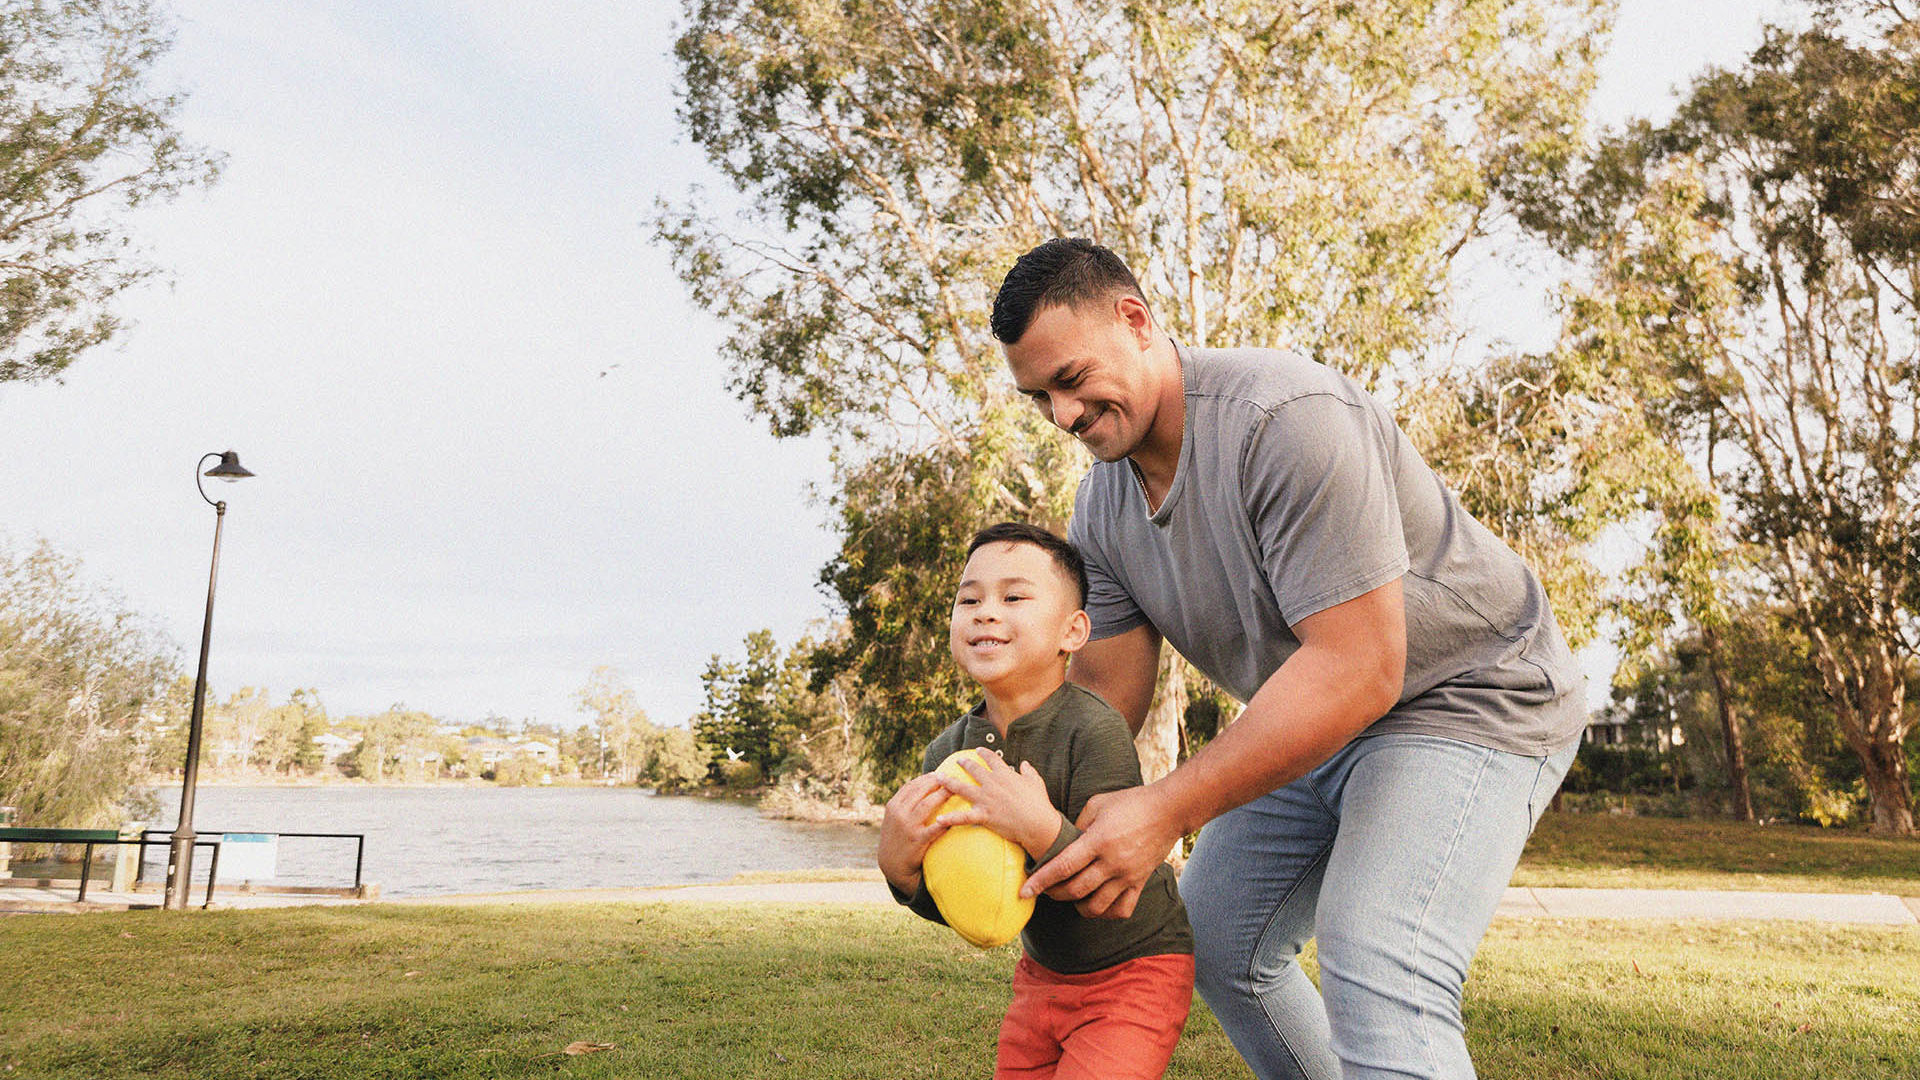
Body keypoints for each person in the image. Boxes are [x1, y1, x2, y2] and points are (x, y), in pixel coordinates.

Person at [988, 238, 1587, 1080]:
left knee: (1380, 956)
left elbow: (1361, 668)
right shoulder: (1102, 512)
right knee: (1223, 936)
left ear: (1136, 320)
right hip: (1323, 708)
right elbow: (1102, 702)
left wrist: (1163, 812)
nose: (1062, 415)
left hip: (1471, 695)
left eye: (1073, 380)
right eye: (1039, 396)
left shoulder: (1284, 418)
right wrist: (981, 793)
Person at [877, 521, 1196, 1080]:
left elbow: (1112, 881)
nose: (985, 611)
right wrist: (902, 874)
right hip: (1042, 977)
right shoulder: (948, 755)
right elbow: (970, 907)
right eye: (969, 598)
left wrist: (1040, 828)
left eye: (1014, 596)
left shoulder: (1093, 729)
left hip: (1136, 967)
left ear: (1072, 632)